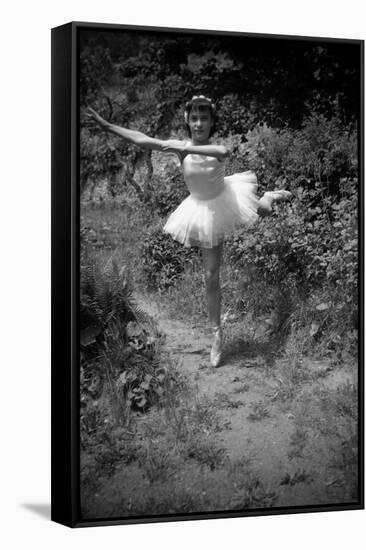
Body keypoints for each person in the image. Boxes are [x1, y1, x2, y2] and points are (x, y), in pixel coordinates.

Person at [86, 96, 292, 368]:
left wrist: (183, 146)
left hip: (224, 198)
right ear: (187, 120)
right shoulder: (181, 148)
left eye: (204, 118)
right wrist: (108, 126)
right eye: (194, 118)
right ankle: (217, 334)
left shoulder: (211, 146)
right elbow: (141, 138)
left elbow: (223, 152)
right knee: (210, 276)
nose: (199, 123)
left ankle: (270, 196)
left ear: (211, 121)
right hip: (202, 209)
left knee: (262, 208)